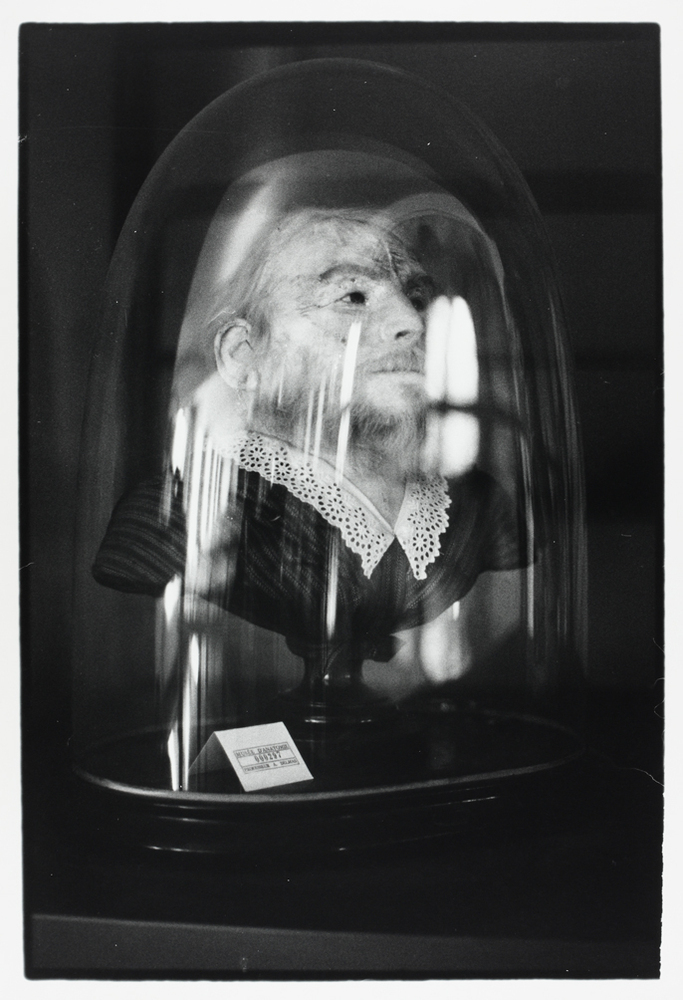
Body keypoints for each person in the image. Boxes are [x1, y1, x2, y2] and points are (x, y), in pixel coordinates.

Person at [93, 204, 525, 693]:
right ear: (243, 354)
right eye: (354, 295)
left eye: (419, 297)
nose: (412, 321)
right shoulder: (171, 513)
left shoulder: (480, 509)